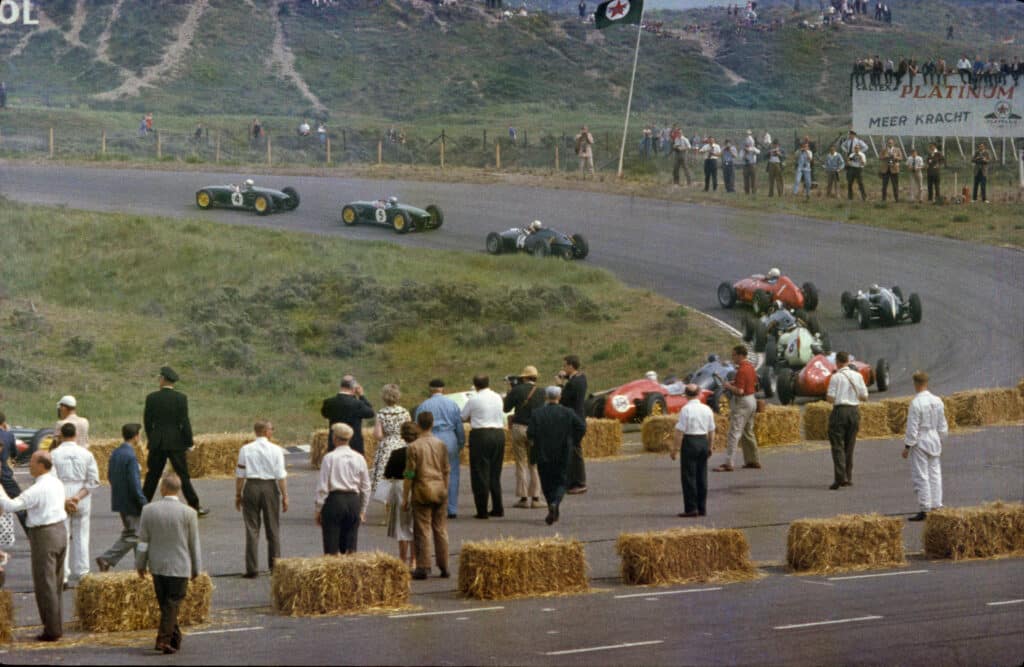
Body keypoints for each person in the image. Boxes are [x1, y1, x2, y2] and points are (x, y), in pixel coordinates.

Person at [0, 451, 67, 642]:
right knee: (56, 582)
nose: (29, 465)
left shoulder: (38, 489)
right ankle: (57, 625)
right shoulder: (56, 482)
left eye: (32, 462)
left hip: (44, 534)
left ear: (41, 465)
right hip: (60, 530)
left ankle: (52, 630)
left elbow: (12, 506)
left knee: (45, 584)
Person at [137, 473, 202, 655]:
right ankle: (164, 640)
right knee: (172, 604)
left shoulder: (148, 510)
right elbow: (194, 544)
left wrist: (140, 564)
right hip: (180, 567)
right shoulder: (189, 513)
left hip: (157, 566)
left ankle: (174, 638)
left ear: (162, 488)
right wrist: (197, 568)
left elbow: (143, 541)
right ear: (179, 490)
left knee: (166, 605)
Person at [142, 367, 207, 516]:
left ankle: (143, 504)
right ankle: (195, 505)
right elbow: (184, 422)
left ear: (163, 379)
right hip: (176, 442)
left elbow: (147, 421)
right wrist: (189, 441)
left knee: (152, 475)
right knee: (183, 474)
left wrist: (152, 438)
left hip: (158, 441)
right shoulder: (181, 398)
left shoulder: (151, 398)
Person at [235, 420, 288, 579]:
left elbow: (240, 474)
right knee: (273, 527)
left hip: (251, 486)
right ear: (266, 432)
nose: (273, 431)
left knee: (252, 528)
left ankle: (252, 568)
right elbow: (281, 475)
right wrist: (285, 495)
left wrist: (238, 494)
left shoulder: (245, 449)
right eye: (272, 429)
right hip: (269, 487)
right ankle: (275, 566)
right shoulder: (276, 450)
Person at [527, 386, 586, 526]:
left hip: (543, 452)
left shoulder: (537, 413)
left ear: (546, 397)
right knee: (561, 482)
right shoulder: (568, 412)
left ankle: (551, 506)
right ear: (559, 397)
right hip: (563, 452)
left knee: (547, 483)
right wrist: (574, 440)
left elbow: (530, 433)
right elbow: (581, 427)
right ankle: (555, 503)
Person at [50, 422, 98, 588]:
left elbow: (51, 479)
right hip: (81, 494)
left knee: (63, 536)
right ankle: (83, 572)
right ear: (76, 435)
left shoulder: (55, 454)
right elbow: (93, 480)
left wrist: (65, 499)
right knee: (82, 534)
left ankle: (63, 575)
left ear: (61, 435)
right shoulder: (86, 454)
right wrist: (77, 497)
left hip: (61, 494)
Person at [403, 412, 450, 579]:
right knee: (440, 529)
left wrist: (405, 496)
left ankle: (423, 566)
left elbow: (409, 474)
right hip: (440, 489)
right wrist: (445, 488)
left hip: (422, 489)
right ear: (432, 424)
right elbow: (446, 470)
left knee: (422, 529)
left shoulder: (414, 447)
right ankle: (444, 565)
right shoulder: (441, 444)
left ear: (418, 424)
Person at [96, 424, 147, 573]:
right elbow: (134, 484)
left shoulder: (116, 453)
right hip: (132, 503)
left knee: (136, 533)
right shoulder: (130, 456)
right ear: (136, 436)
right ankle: (107, 558)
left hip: (120, 500)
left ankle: (141, 567)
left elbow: (110, 476)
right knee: (134, 535)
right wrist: (143, 503)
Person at [315, 423, 370, 554]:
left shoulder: (329, 458)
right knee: (351, 543)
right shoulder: (359, 458)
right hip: (353, 500)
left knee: (331, 543)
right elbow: (366, 487)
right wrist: (362, 509)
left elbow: (323, 486)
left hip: (335, 500)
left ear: (335, 438)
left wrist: (318, 508)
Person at [414, 379, 465, 519]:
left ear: (430, 390)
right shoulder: (452, 404)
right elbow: (459, 426)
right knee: (452, 473)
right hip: (449, 438)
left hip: (430, 438)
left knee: (429, 472)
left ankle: (432, 501)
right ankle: (451, 508)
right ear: (443, 389)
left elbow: (416, 426)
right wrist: (460, 443)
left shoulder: (423, 405)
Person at [902, 371, 949, 521]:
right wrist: (941, 438)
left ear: (916, 384)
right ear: (926, 383)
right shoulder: (937, 400)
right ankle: (937, 503)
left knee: (921, 475)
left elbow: (912, 427)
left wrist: (907, 446)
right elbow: (943, 424)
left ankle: (925, 507)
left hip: (921, 440)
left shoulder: (916, 403)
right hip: (934, 437)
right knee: (935, 473)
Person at [461, 375, 506, 519]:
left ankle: (482, 510)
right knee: (495, 472)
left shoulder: (473, 399)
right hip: (499, 434)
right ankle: (498, 507)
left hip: (481, 434)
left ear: (475, 385)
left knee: (480, 473)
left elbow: (463, 417)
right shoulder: (497, 397)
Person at [669, 384, 715, 517]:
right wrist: (710, 446)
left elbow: (680, 431)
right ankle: (702, 507)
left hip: (690, 441)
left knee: (689, 476)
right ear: (699, 393)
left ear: (686, 395)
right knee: (702, 475)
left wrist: (675, 449)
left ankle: (691, 508)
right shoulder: (707, 409)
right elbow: (712, 430)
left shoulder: (686, 409)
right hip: (702, 440)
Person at [825, 351, 869, 490]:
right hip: (854, 411)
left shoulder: (836, 377)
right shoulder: (858, 376)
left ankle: (840, 478)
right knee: (849, 446)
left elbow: (830, 398)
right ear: (848, 361)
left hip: (840, 411)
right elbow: (865, 396)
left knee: (837, 445)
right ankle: (848, 477)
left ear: (837, 362)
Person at [503, 366, 544, 509]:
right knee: (534, 463)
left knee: (520, 463)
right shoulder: (541, 392)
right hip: (535, 429)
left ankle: (523, 498)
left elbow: (506, 409)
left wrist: (509, 394)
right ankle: (536, 497)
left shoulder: (517, 390)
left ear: (525, 377)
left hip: (519, 427)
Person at [714, 345, 760, 472]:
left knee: (734, 433)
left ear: (740, 355)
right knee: (748, 432)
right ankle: (753, 460)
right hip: (752, 400)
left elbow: (739, 391)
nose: (732, 357)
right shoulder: (750, 367)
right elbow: (753, 384)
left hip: (742, 402)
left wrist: (728, 386)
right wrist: (735, 383)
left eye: (734, 355)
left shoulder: (741, 371)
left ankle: (729, 462)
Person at [385, 422, 417, 569]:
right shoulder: (421, 451)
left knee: (401, 525)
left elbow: (387, 473)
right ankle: (414, 560)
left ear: (403, 436)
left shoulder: (397, 453)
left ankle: (403, 559)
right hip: (418, 486)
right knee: (416, 525)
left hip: (399, 487)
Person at [371, 384, 411, 498]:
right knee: (404, 472)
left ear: (384, 397)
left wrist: (386, 437)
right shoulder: (404, 412)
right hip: (403, 443)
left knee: (386, 476)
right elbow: (410, 429)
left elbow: (378, 434)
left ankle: (388, 504)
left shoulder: (381, 413)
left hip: (387, 445)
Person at [321, 374, 375, 455]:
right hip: (354, 446)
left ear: (341, 385)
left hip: (334, 445)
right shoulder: (357, 404)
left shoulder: (328, 402)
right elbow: (370, 413)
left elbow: (324, 414)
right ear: (354, 388)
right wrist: (361, 396)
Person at [559, 355, 589, 494]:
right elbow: (574, 383)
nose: (563, 368)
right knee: (572, 451)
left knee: (575, 452)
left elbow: (563, 399)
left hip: (574, 420)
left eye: (565, 366)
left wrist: (560, 383)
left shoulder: (572, 384)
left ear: (571, 366)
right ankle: (571, 482)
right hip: (579, 418)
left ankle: (579, 482)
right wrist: (566, 378)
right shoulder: (582, 378)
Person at [0, 412, 26, 531]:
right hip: (5, 474)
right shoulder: (9, 435)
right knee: (19, 504)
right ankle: (30, 533)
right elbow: (14, 453)